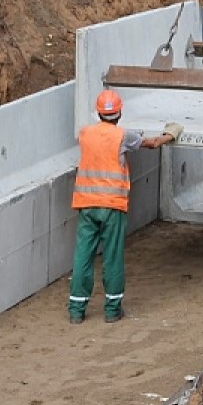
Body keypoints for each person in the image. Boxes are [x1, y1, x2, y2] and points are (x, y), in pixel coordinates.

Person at [68, 90, 181, 324]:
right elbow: (152, 143)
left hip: (86, 204)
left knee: (83, 256)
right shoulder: (122, 136)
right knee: (112, 257)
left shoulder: (85, 133)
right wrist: (170, 134)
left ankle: (76, 311)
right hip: (112, 206)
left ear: (99, 112)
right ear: (119, 113)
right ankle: (111, 310)